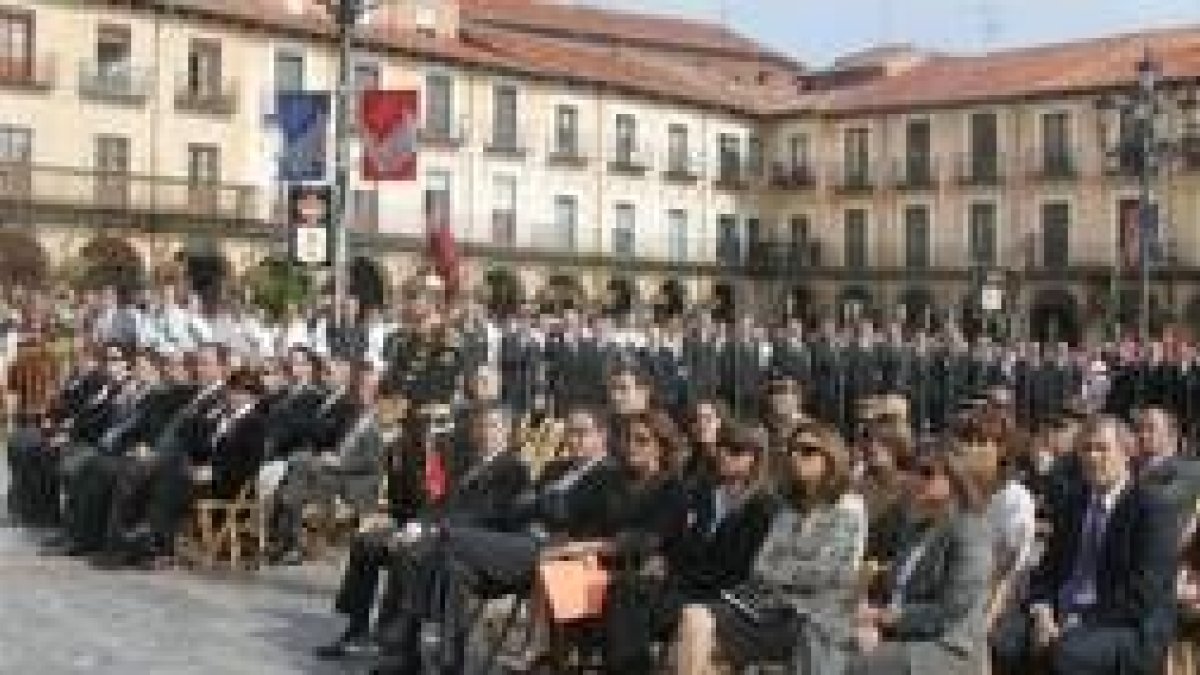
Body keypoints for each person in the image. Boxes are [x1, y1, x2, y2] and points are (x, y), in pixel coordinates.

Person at [317, 403, 530, 660]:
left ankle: (397, 643)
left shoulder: (514, 469)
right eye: (480, 426)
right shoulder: (467, 464)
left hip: (464, 543)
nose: (485, 432)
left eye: (493, 426)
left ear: (507, 431)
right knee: (368, 543)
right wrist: (413, 525)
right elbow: (438, 504)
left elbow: (489, 517)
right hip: (434, 530)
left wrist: (429, 530)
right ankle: (357, 628)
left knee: (409, 552)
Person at [991, 416, 1179, 675]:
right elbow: (1047, 569)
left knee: (1066, 654)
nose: (1092, 457)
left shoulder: (1152, 509)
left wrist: (1078, 621)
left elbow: (1143, 593)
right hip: (1060, 612)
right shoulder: (1074, 503)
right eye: (1086, 449)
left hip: (1124, 624)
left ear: (1126, 454)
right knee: (1003, 640)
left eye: (1102, 448)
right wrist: (1042, 610)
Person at [674, 423, 867, 675]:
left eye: (807, 450)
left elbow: (828, 572)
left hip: (812, 617)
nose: (796, 456)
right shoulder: (789, 510)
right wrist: (794, 568)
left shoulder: (848, 507)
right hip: (769, 610)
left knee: (695, 648)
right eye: (792, 450)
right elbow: (762, 566)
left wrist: (783, 569)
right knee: (694, 617)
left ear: (831, 457)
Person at [603, 421, 777, 673]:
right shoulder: (703, 494)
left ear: (755, 458)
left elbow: (745, 568)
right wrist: (663, 559)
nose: (725, 455)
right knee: (626, 587)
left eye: (736, 450)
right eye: (721, 447)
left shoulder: (764, 508)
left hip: (720, 594)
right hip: (684, 583)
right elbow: (678, 541)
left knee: (638, 604)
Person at [850, 447, 994, 675]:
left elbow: (950, 610)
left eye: (927, 473)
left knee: (847, 665)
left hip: (948, 647)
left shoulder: (970, 530)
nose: (916, 479)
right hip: (902, 635)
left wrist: (883, 619)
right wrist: (869, 620)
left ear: (955, 480)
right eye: (915, 471)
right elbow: (892, 588)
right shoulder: (916, 529)